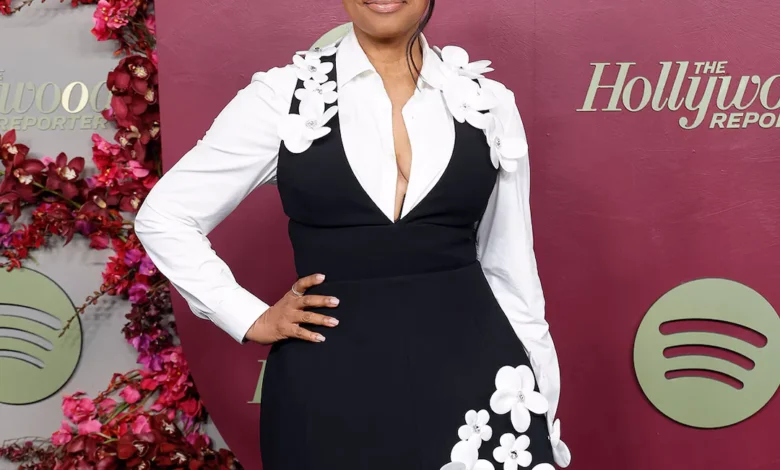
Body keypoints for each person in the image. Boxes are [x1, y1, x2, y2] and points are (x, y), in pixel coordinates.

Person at [134, 1, 571, 469]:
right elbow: (165, 215)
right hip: (329, 392)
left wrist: (542, 400)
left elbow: (512, 271)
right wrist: (249, 317)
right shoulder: (281, 97)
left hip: (480, 384)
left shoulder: (488, 102)